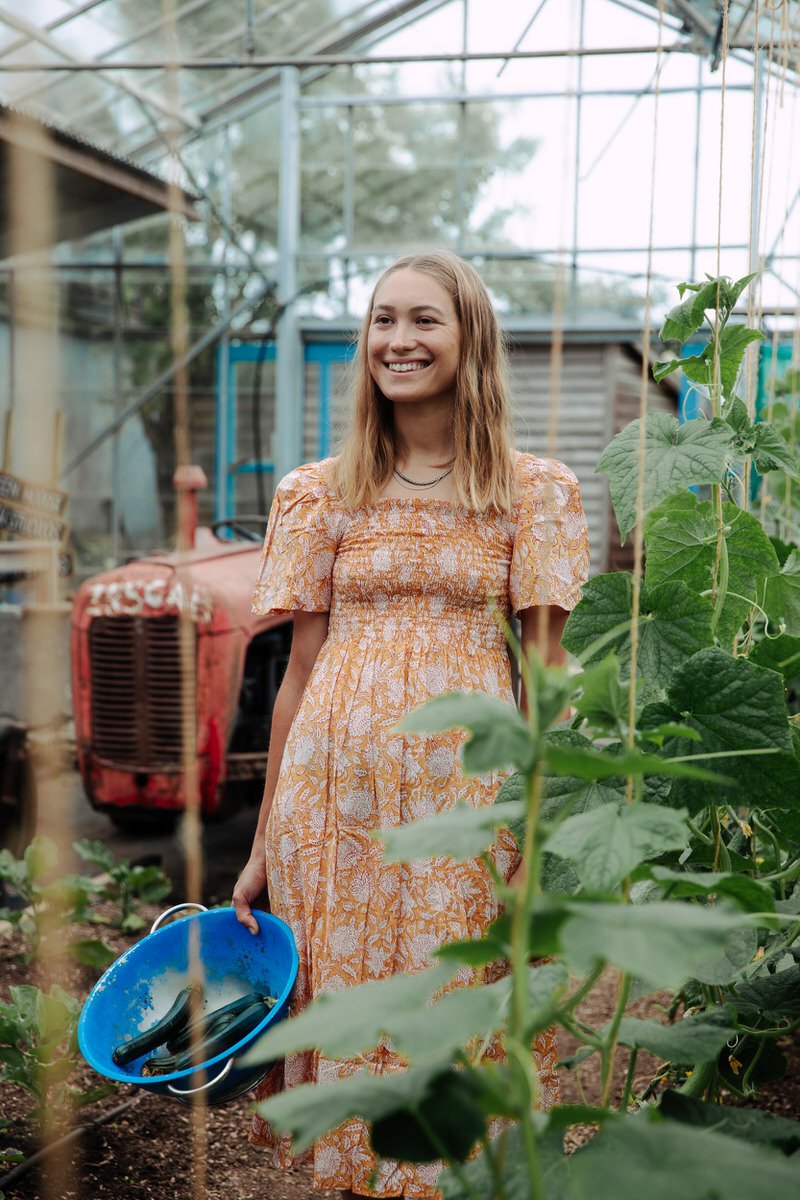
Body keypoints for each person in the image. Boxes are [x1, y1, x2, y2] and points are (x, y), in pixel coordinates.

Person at [232, 250, 589, 1198]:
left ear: (470, 336)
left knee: (454, 1008)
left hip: (465, 799)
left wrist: (539, 831)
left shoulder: (530, 491)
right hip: (331, 803)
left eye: (425, 320)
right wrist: (265, 841)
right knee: (348, 1014)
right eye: (383, 320)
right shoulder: (320, 491)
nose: (399, 340)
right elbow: (300, 672)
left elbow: (544, 674)